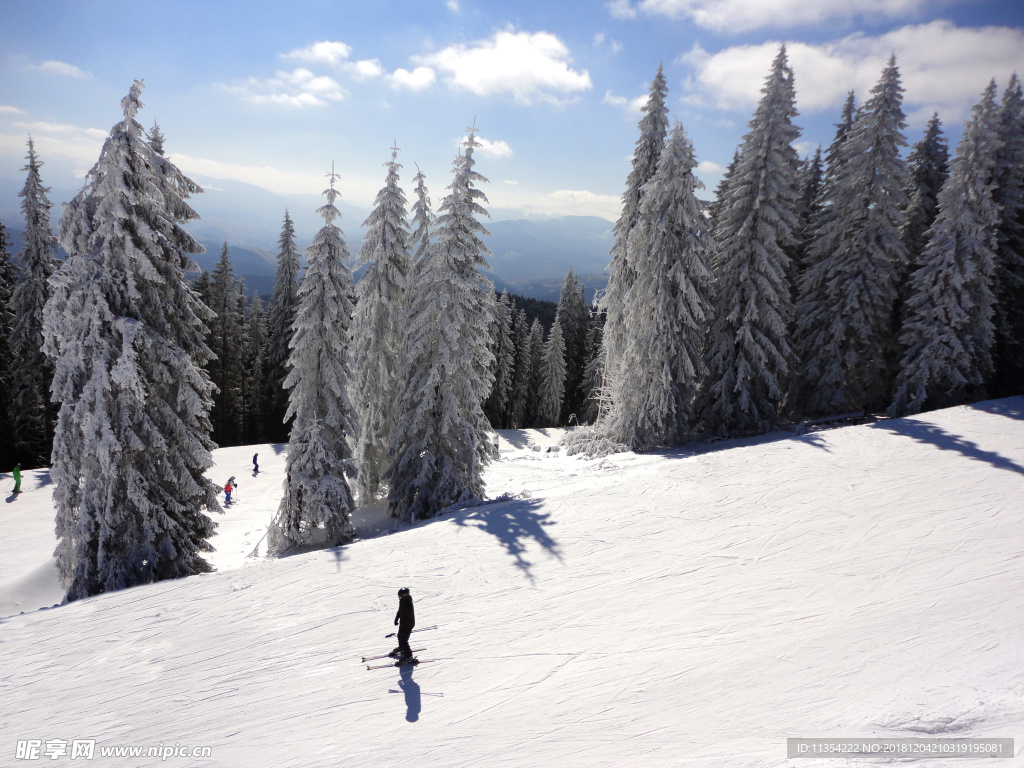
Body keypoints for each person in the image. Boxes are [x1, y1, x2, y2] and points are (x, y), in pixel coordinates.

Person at [392, 587, 415, 661]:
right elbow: (400, 611)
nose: (398, 597)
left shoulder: (408, 603)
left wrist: (405, 625)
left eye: (400, 596)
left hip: (408, 624)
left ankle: (408, 656)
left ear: (404, 595)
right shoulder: (402, 601)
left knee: (404, 640)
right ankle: (402, 648)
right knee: (399, 636)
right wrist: (397, 618)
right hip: (403, 623)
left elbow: (409, 616)